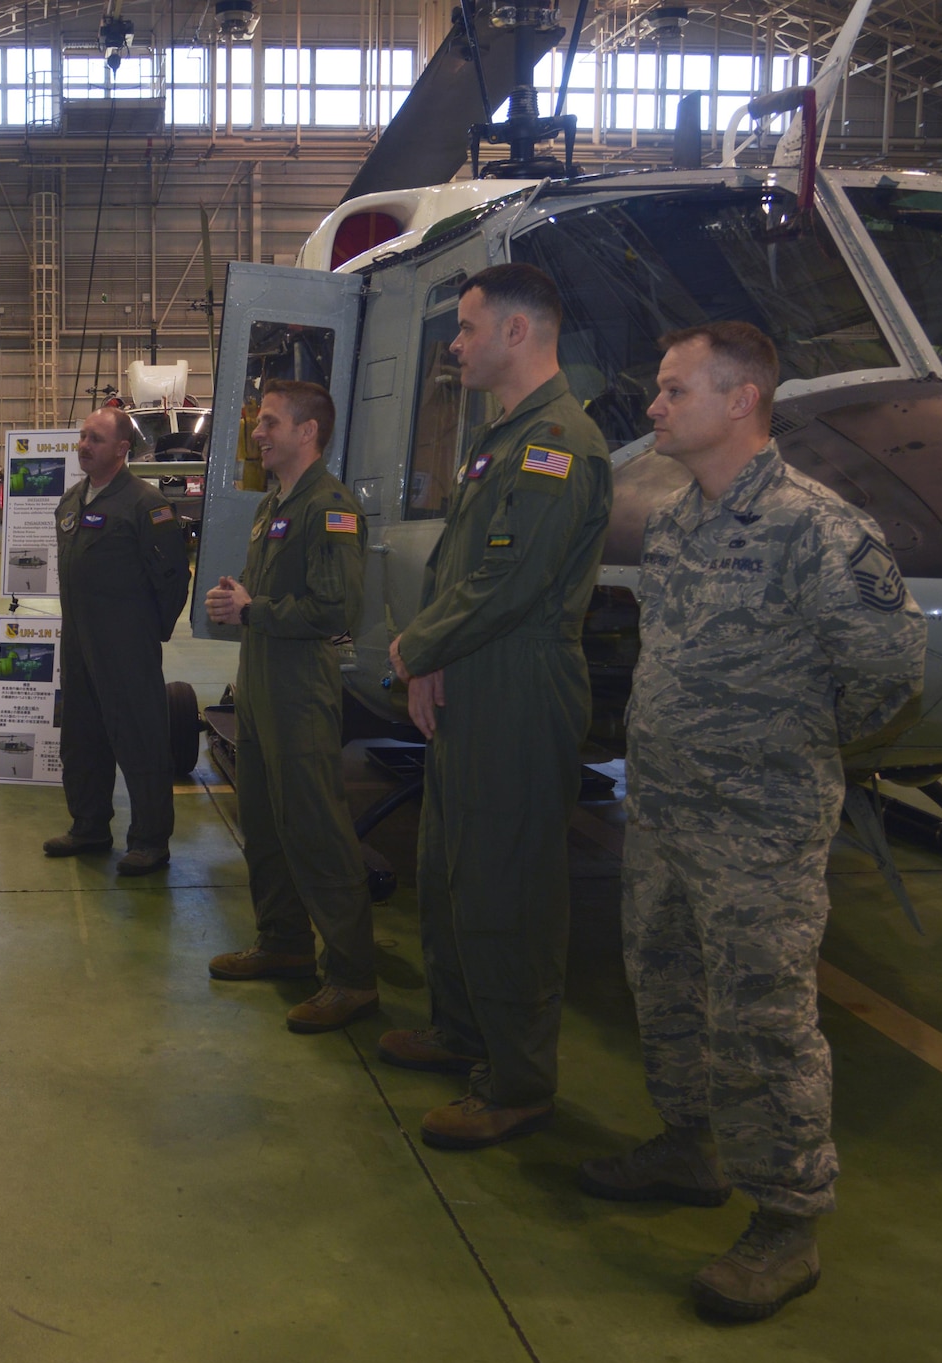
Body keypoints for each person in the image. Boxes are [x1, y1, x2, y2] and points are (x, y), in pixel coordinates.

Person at [578, 322, 925, 1321]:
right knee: (667, 986)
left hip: (759, 827)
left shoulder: (817, 527)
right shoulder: (676, 521)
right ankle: (690, 1147)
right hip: (664, 812)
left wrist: (784, 751)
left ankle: (786, 1222)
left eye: (672, 390)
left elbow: (889, 675)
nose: (652, 407)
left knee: (763, 1020)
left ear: (741, 401)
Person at [380, 262, 611, 1151]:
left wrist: (419, 646)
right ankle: (461, 1030)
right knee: (451, 867)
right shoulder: (501, 436)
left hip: (519, 680)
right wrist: (434, 658)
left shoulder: (558, 443)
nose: (455, 344)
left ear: (517, 332)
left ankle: (516, 1082)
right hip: (472, 673)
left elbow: (511, 578)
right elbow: (458, 564)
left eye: (468, 326)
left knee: (508, 885)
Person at [203, 381, 378, 1034]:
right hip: (260, 683)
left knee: (316, 829)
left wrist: (255, 610)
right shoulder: (274, 504)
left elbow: (336, 610)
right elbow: (275, 595)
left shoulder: (329, 508)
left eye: (271, 423)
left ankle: (353, 977)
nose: (258, 433)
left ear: (308, 432)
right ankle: (283, 941)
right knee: (265, 821)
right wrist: (241, 600)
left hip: (300, 688)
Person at [43, 406, 189, 875]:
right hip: (78, 643)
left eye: (96, 439)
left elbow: (172, 580)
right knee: (81, 738)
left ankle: (150, 841)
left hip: (126, 647)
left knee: (141, 740)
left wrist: (146, 633)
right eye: (83, 436)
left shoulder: (146, 505)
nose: (84, 445)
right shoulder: (71, 501)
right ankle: (89, 826)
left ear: (122, 449)